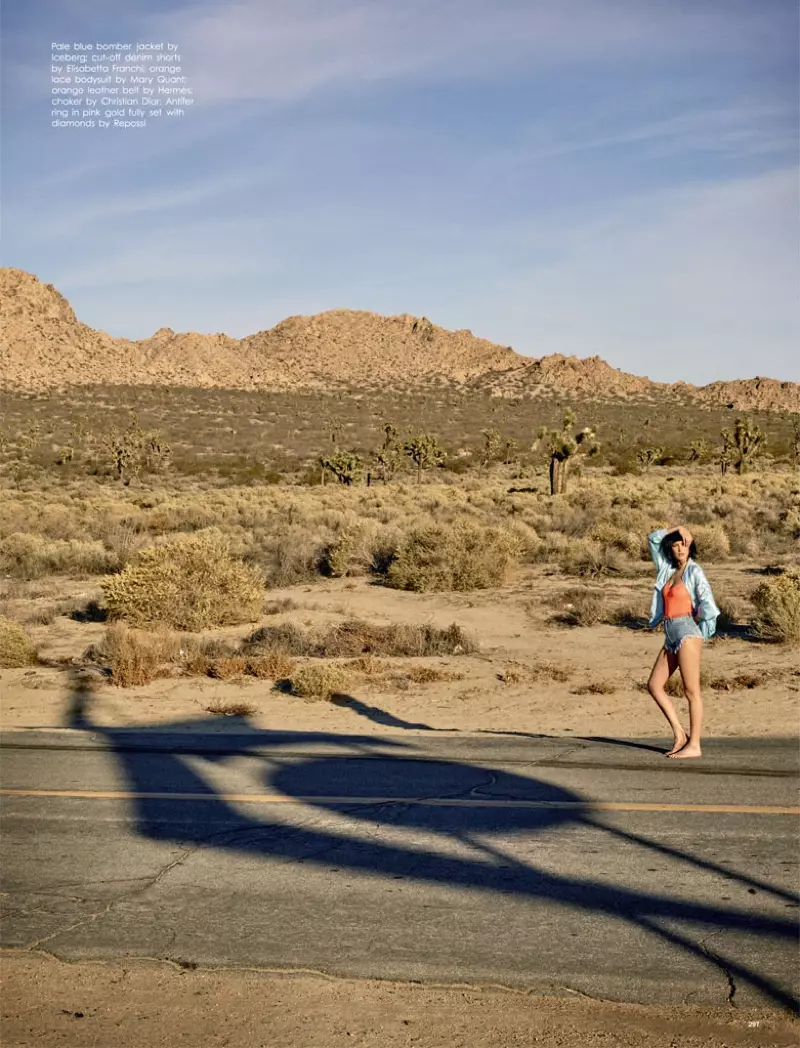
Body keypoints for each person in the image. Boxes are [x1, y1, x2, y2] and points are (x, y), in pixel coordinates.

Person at [646, 524, 719, 759]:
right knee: (654, 685)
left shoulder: (695, 571)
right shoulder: (667, 570)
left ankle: (695, 744)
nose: (680, 549)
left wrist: (702, 626)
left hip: (687, 632)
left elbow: (708, 603)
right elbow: (653, 538)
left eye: (684, 544)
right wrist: (678, 528)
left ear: (691, 546)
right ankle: (680, 733)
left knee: (691, 691)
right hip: (670, 634)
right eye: (676, 545)